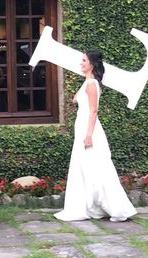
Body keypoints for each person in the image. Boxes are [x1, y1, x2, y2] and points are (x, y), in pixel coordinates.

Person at [55, 50, 137, 223]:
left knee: (97, 167)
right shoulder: (88, 83)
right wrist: (85, 80)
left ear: (92, 64)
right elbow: (75, 99)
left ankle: (116, 207)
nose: (81, 63)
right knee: (84, 168)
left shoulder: (92, 84)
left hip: (89, 129)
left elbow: (93, 111)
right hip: (82, 127)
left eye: (84, 61)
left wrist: (89, 135)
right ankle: (91, 205)